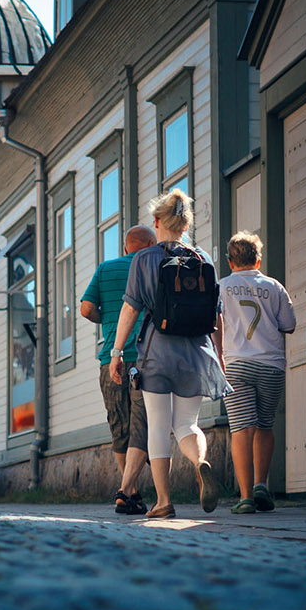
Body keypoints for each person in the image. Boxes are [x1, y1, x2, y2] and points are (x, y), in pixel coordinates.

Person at [108, 189, 230, 518]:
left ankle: (163, 501)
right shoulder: (203, 258)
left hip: (156, 354)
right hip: (197, 353)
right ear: (186, 224)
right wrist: (219, 357)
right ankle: (200, 462)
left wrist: (117, 352)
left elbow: (130, 310)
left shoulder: (144, 259)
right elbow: (216, 316)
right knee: (188, 424)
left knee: (159, 427)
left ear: (158, 222)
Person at [81, 224, 155, 515]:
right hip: (146, 357)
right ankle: (128, 491)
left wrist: (109, 320)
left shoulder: (105, 268)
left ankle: (131, 493)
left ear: (125, 247)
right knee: (142, 425)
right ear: (149, 245)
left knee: (119, 427)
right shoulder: (153, 269)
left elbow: (86, 309)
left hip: (110, 360)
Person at [219, 232, 296, 514]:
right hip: (271, 364)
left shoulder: (222, 287)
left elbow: (213, 325)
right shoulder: (274, 287)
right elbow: (289, 324)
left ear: (230, 262)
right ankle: (262, 484)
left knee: (241, 428)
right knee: (265, 424)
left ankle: (246, 496)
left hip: (236, 364)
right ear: (258, 260)